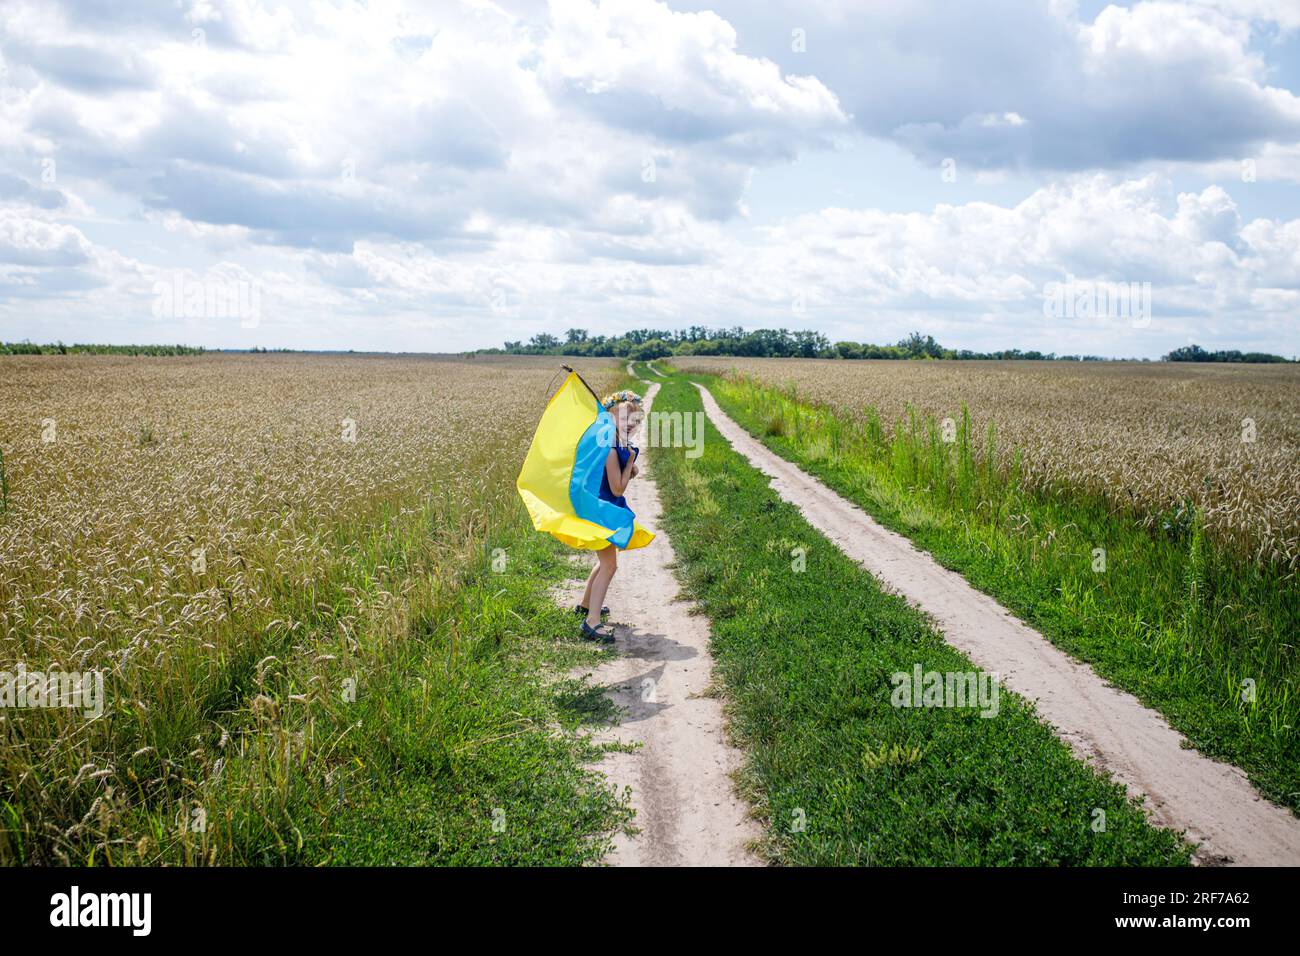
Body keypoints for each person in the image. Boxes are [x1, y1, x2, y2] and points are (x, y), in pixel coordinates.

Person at [576, 390, 644, 642]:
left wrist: (630, 466)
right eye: (623, 418)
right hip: (602, 510)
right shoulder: (610, 449)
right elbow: (617, 487)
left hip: (604, 507)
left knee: (604, 559)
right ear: (610, 418)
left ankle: (585, 605)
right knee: (609, 564)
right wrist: (628, 466)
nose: (630, 424)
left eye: (635, 420)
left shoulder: (614, 443)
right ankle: (591, 622)